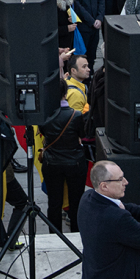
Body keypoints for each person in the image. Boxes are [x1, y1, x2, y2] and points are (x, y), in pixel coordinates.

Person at [36, 81, 93, 232]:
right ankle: (76, 232)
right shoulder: (76, 115)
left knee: (54, 203)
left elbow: (43, 132)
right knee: (76, 201)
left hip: (52, 163)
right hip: (75, 162)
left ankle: (54, 235)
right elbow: (82, 134)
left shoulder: (44, 115)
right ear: (65, 93)